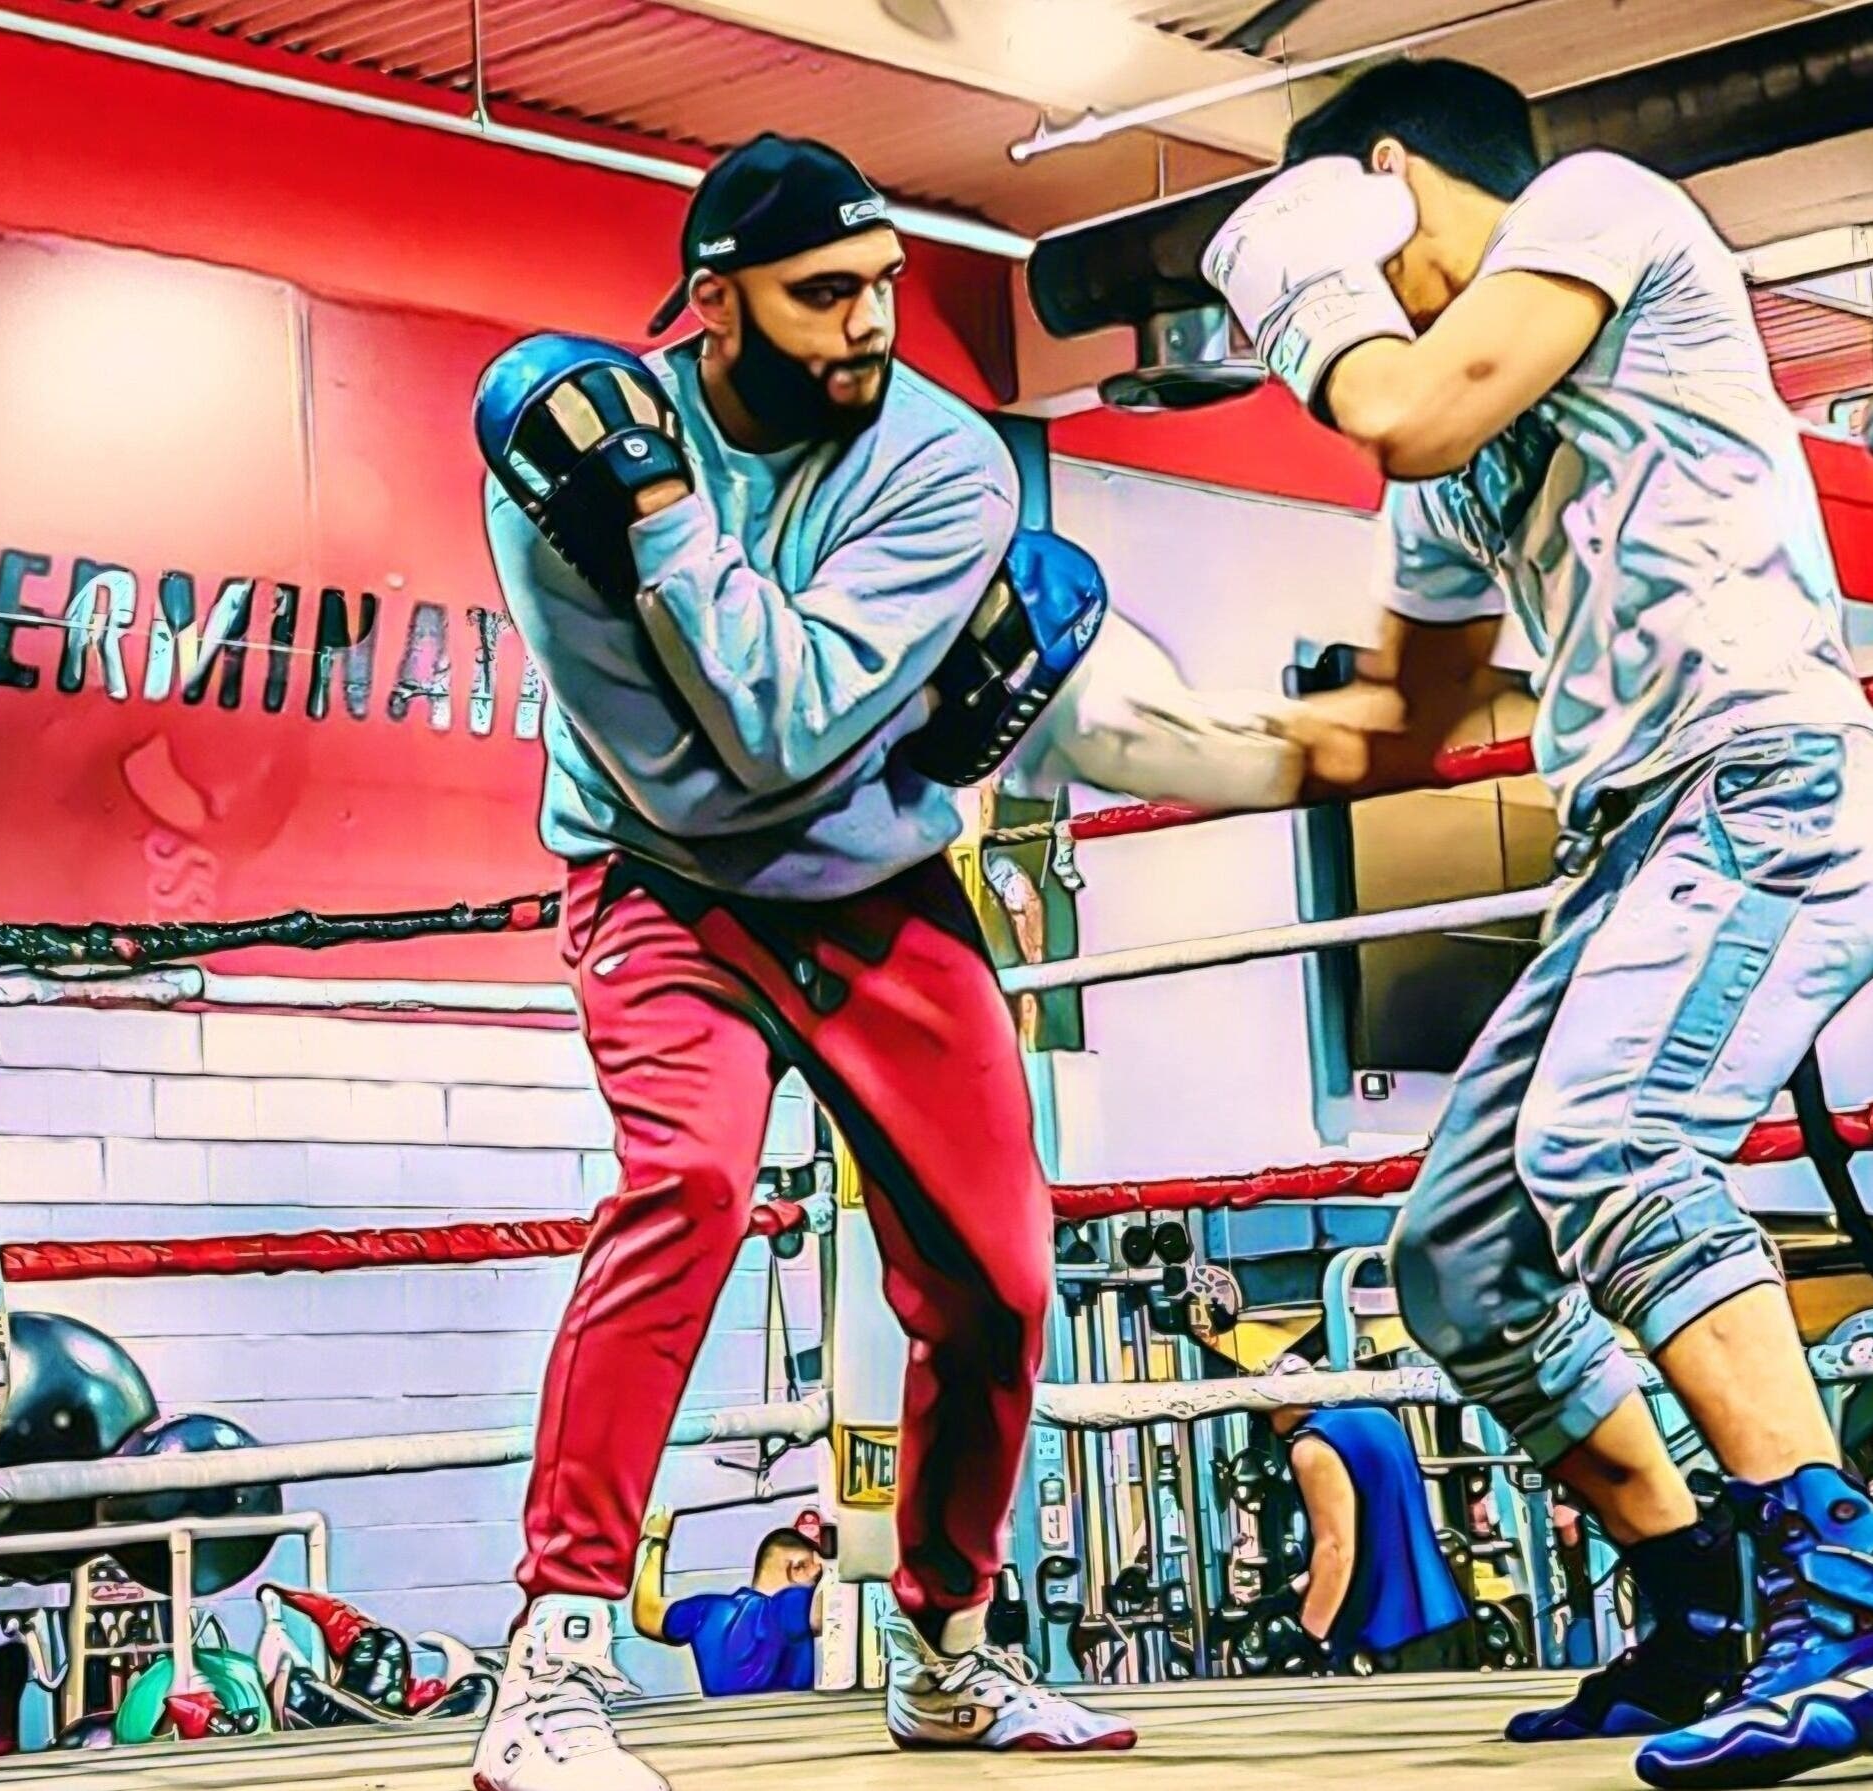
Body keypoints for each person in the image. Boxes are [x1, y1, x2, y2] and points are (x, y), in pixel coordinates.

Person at [1200, 59, 1873, 1788]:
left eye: (1346, 237)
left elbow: (1396, 402)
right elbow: (1397, 730)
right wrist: (1088, 725)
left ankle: (1857, 1617)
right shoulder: (1443, 461)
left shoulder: (1594, 215)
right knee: (1457, 1262)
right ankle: (1699, 1597)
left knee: (1614, 1141)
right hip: (1628, 849)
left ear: (1383, 177)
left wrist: (1314, 295)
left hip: (1765, 789)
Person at [463, 133, 1146, 1791]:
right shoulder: (551, 464)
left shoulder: (947, 465)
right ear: (712, 303)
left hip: (878, 899)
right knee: (684, 1189)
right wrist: (890, 732)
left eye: (882, 288)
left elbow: (777, 734)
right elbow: (712, 775)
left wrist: (674, 545)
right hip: (656, 886)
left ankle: (943, 1655)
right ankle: (550, 1671)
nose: (866, 324)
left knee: (993, 1280)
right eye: (823, 291)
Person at [1269, 1398, 1478, 1675]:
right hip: (1443, 1618)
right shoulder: (1381, 1419)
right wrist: (1282, 1598)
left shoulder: (1313, 1446)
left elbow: (1336, 1551)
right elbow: (1380, 1538)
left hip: (1378, 1640)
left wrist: (1308, 1636)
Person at [630, 1510, 824, 1695]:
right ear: (797, 1568)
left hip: (724, 1727)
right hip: (789, 1728)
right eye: (818, 1575)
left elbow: (647, 1614)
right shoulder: (794, 1604)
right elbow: (835, 1603)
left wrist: (656, 1539)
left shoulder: (706, 1612)